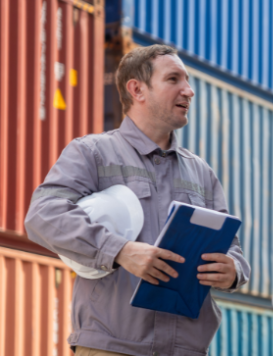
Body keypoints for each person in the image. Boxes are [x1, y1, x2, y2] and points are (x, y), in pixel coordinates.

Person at [25, 45, 251, 356]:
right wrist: (119, 250)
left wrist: (234, 270)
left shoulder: (201, 172)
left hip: (187, 349)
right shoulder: (92, 153)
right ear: (137, 90)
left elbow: (231, 246)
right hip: (112, 347)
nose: (189, 91)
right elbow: (43, 215)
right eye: (173, 79)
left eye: (187, 81)